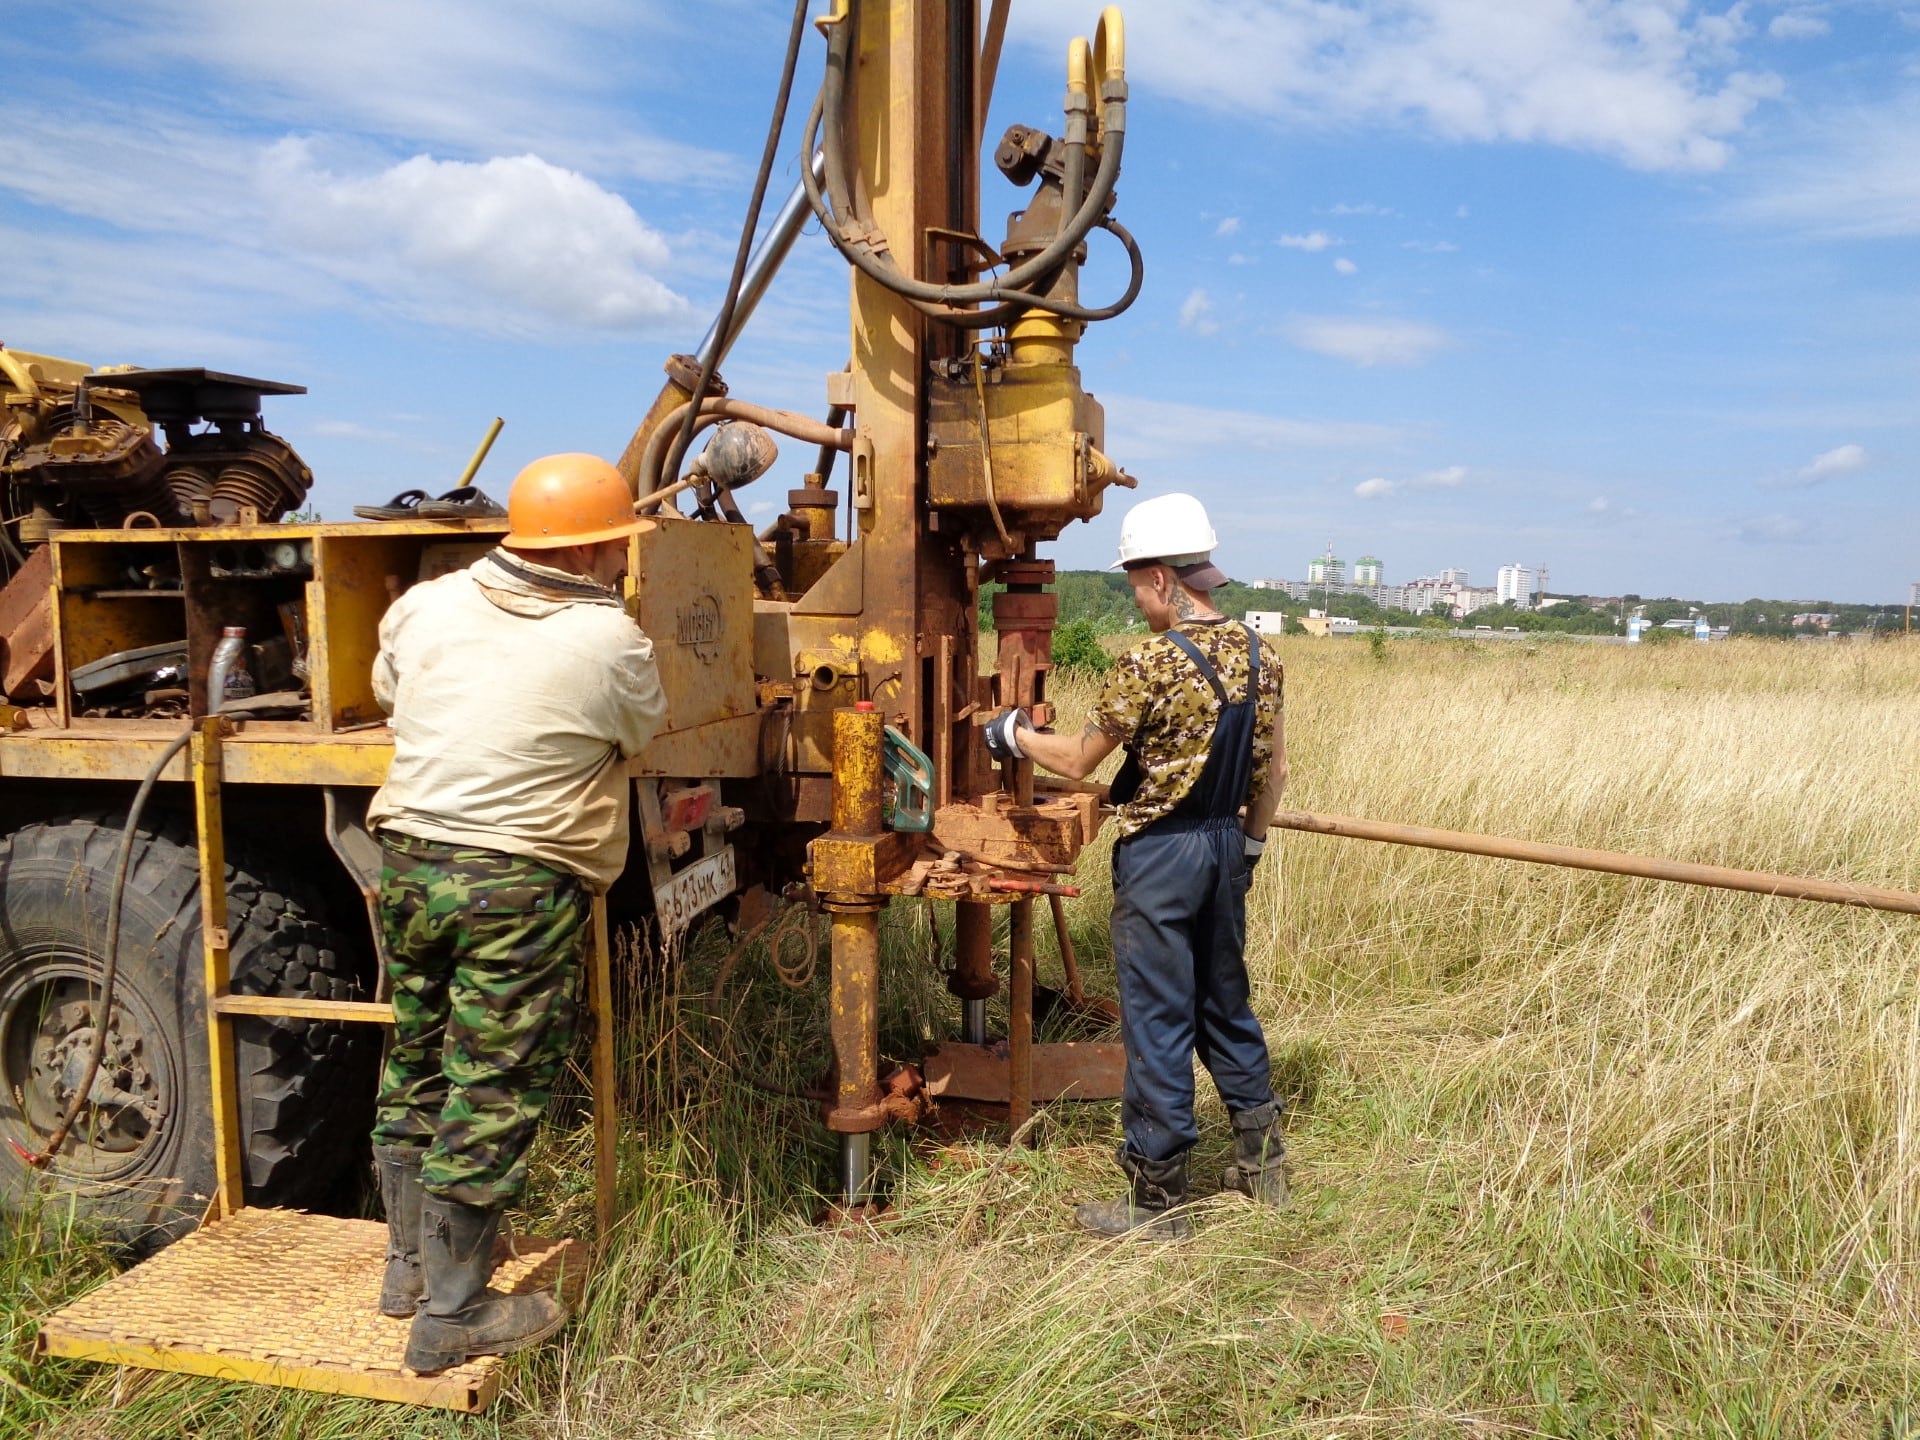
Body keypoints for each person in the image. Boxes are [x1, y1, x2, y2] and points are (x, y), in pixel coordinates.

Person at [365, 452, 666, 1371]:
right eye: (619, 545)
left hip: (409, 859)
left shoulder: (425, 605)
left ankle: (408, 1268)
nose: (623, 560)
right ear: (591, 548)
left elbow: (389, 694)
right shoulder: (609, 640)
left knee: (416, 1056)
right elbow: (641, 732)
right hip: (516, 880)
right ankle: (452, 1317)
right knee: (491, 1086)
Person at [983, 492, 1288, 1239]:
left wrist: (1014, 733)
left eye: (1133, 585)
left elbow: (1080, 757)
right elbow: (1273, 772)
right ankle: (1263, 1161)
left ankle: (1157, 1200)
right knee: (1224, 1001)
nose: (1138, 600)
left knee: (1156, 1022)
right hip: (1225, 847)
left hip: (1162, 856)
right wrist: (1248, 846)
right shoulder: (1261, 655)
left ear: (1159, 578)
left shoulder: (1149, 663)